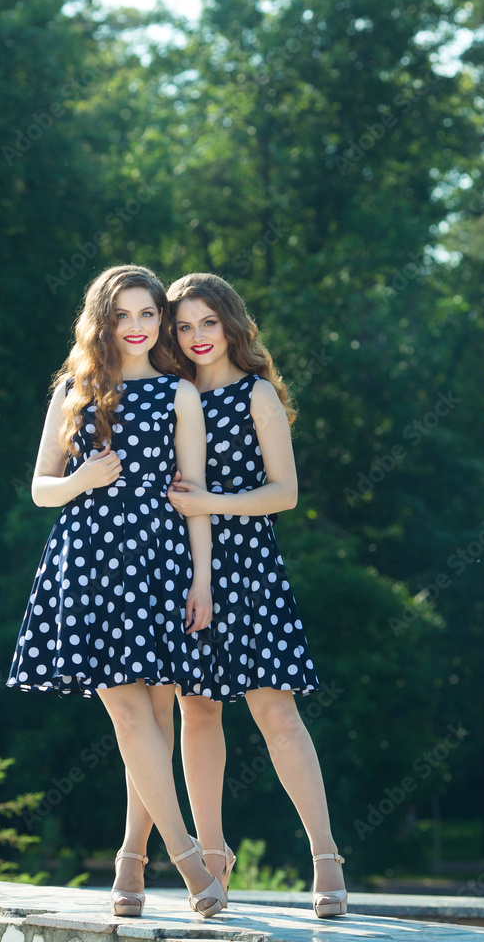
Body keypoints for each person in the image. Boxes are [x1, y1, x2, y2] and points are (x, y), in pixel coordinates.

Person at [113, 272, 347, 919]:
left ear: (230, 324)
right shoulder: (168, 392)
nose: (195, 338)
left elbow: (284, 492)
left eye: (206, 323)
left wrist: (212, 503)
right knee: (197, 711)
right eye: (182, 326)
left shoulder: (256, 393)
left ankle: (325, 856)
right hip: (182, 567)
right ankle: (211, 856)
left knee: (276, 713)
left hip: (250, 567)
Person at [6, 265, 226, 919]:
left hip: (158, 566)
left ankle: (129, 865)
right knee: (130, 717)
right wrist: (85, 480)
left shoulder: (178, 395)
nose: (137, 327)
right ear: (102, 320)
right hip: (89, 565)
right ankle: (188, 863)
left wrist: (202, 579)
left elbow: (195, 501)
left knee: (155, 722)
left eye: (148, 315)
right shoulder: (75, 386)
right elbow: (42, 487)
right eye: (124, 315)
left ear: (160, 322)